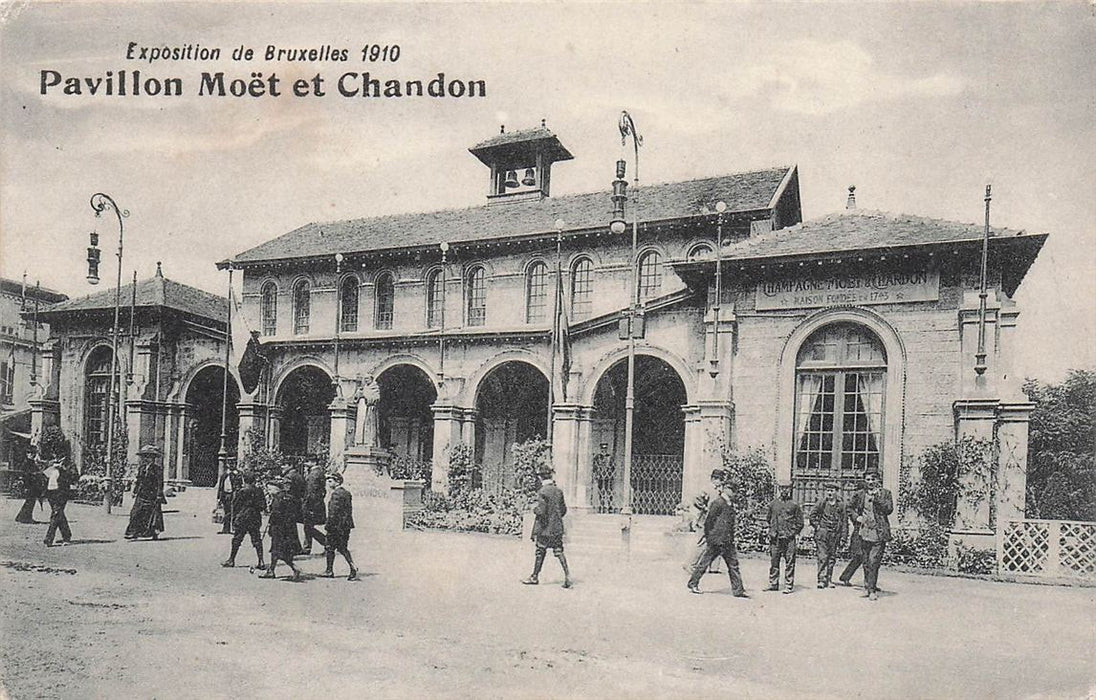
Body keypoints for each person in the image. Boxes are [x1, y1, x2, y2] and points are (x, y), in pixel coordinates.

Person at [687, 478, 747, 597]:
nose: (735, 494)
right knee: (704, 562)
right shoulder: (718, 503)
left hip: (727, 541)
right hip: (716, 541)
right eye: (733, 491)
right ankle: (693, 583)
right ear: (727, 490)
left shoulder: (729, 504)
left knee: (733, 564)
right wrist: (710, 538)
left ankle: (738, 590)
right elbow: (709, 521)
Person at [521, 466, 572, 589]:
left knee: (540, 551)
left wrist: (534, 509)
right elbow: (563, 510)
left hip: (544, 529)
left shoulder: (542, 492)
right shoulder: (558, 491)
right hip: (557, 528)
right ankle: (567, 575)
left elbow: (541, 511)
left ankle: (534, 577)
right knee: (559, 551)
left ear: (540, 477)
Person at [850, 469, 893, 600]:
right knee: (866, 561)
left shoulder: (885, 493)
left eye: (873, 479)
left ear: (878, 480)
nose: (870, 482)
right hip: (864, 531)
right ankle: (868, 587)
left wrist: (877, 498)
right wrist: (856, 517)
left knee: (874, 561)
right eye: (868, 479)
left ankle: (872, 590)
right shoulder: (860, 494)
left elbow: (889, 509)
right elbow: (850, 508)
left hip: (878, 532)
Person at [259, 478, 303, 580]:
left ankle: (294, 568)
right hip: (289, 529)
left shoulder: (277, 499)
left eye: (270, 489)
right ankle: (271, 571)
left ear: (276, 489)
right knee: (278, 551)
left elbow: (276, 515)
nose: (269, 492)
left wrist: (271, 523)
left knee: (278, 551)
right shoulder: (289, 497)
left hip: (279, 529)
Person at [221, 471, 266, 569]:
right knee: (257, 540)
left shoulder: (241, 491)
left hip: (243, 518)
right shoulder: (259, 491)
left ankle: (231, 560)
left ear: (244, 479)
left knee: (237, 539)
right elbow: (263, 506)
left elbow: (235, 506)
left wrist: (235, 519)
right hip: (254, 518)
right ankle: (261, 561)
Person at [765, 480, 804, 594]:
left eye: (786, 488)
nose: (784, 490)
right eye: (782, 488)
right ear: (779, 489)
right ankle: (773, 583)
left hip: (789, 538)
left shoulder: (794, 505)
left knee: (790, 562)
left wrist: (791, 532)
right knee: (774, 561)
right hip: (775, 538)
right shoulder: (773, 504)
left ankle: (788, 585)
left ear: (790, 489)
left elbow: (800, 522)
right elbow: (769, 519)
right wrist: (773, 530)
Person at [684, 469, 725, 574]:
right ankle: (690, 564)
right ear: (713, 479)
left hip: (714, 520)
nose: (721, 482)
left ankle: (714, 567)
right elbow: (696, 499)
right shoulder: (707, 489)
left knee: (716, 542)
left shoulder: (717, 490)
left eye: (721, 479)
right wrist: (704, 508)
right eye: (719, 479)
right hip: (706, 520)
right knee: (702, 543)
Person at [810, 481, 848, 589]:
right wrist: (817, 527)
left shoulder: (841, 505)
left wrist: (844, 537)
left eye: (832, 490)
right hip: (822, 534)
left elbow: (845, 522)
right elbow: (812, 516)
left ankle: (829, 579)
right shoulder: (821, 503)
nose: (829, 493)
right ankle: (821, 579)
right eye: (828, 490)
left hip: (835, 534)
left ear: (836, 492)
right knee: (822, 556)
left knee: (832, 557)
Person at [320, 471, 358, 581]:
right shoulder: (346, 493)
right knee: (342, 548)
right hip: (345, 526)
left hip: (335, 526)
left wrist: (328, 525)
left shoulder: (336, 494)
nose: (328, 483)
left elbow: (333, 512)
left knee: (329, 548)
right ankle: (352, 566)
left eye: (330, 481)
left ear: (337, 482)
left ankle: (329, 570)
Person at [124, 445, 166, 540]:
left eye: (149, 457)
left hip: (153, 494)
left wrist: (159, 494)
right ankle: (133, 531)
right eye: (145, 457)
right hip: (142, 493)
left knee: (153, 515)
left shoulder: (157, 469)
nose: (147, 459)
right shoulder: (142, 468)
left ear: (153, 458)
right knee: (135, 512)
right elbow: (139, 480)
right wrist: (135, 491)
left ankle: (154, 532)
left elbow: (160, 483)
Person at [838, 478, 867, 587]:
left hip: (871, 529)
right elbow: (849, 509)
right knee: (859, 555)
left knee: (867, 557)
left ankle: (869, 583)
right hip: (859, 529)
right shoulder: (857, 497)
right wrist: (856, 517)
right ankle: (846, 577)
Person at [42, 458, 76, 546]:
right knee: (59, 514)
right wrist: (51, 465)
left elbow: (74, 476)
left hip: (61, 493)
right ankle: (67, 535)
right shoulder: (51, 462)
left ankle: (49, 538)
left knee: (56, 514)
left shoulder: (69, 463)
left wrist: (62, 468)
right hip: (51, 492)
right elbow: (43, 473)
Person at [301, 461, 328, 555]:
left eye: (307, 462)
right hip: (316, 503)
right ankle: (307, 547)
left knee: (308, 527)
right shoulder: (319, 472)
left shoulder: (314, 474)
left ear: (313, 462)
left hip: (312, 504)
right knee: (308, 526)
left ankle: (326, 543)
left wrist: (308, 505)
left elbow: (311, 492)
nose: (305, 464)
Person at [282, 463, 306, 548]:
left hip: (289, 503)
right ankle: (296, 547)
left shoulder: (288, 476)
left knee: (289, 526)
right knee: (293, 525)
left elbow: (286, 491)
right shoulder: (298, 475)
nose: (282, 467)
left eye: (283, 465)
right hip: (297, 502)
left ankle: (293, 548)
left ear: (289, 466)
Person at [15, 457, 46, 524]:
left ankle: (21, 517)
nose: (32, 455)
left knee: (30, 501)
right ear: (27, 454)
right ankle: (26, 518)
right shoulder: (27, 462)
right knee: (30, 501)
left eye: (33, 453)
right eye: (30, 453)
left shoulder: (31, 462)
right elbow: (26, 474)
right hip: (29, 484)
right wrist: (36, 473)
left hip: (32, 484)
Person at [216, 464, 242, 535]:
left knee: (234, 511)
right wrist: (219, 497)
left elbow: (239, 485)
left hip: (233, 494)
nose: (231, 465)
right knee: (227, 511)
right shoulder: (224, 474)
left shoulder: (238, 474)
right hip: (225, 495)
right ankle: (226, 528)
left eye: (233, 463)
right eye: (229, 463)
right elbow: (220, 487)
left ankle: (234, 529)